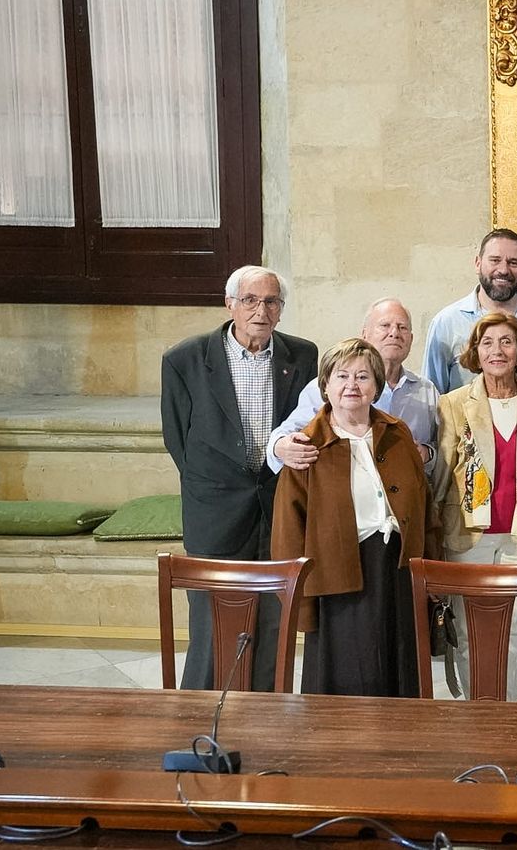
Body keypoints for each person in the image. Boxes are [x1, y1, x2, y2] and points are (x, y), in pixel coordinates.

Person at [160, 265, 318, 691]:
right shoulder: (184, 359)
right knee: (212, 622)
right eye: (249, 300)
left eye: (271, 302)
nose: (260, 311)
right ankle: (199, 712)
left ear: (281, 311)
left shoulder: (302, 356)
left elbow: (306, 423)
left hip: (276, 503)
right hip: (215, 509)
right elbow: (178, 438)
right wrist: (217, 484)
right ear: (229, 304)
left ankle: (265, 711)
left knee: (271, 616)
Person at [271, 339, 429, 697]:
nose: (352, 386)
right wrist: (299, 599)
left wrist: (427, 574)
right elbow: (287, 530)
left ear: (376, 385)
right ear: (325, 385)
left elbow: (424, 504)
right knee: (348, 682)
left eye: (362, 376)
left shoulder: (397, 433)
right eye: (341, 376)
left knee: (398, 673)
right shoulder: (306, 444)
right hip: (337, 581)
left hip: (397, 572)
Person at [430, 313, 517, 700]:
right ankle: (477, 709)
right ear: (475, 353)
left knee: (516, 630)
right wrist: (432, 532)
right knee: (468, 630)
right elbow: (442, 472)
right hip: (468, 534)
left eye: (506, 342)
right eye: (487, 343)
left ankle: (508, 709)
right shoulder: (453, 403)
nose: (497, 350)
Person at [268, 298, 440, 483]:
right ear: (365, 334)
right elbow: (286, 434)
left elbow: (441, 448)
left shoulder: (426, 391)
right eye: (385, 325)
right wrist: (280, 446)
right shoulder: (332, 386)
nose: (394, 333)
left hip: (406, 498)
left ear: (411, 339)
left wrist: (427, 453)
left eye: (402, 328)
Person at [422, 228, 517, 394]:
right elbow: (432, 398)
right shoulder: (446, 322)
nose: (503, 270)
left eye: (513, 262)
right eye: (495, 260)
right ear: (478, 264)